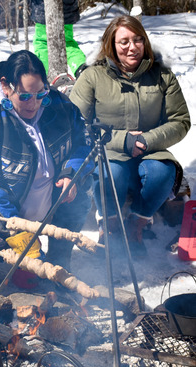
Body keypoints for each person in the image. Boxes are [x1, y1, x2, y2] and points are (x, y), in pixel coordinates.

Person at [0, 50, 94, 287]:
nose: (33, 104)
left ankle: (59, 263)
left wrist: (71, 174)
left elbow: (84, 142)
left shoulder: (58, 105)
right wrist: (27, 243)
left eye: (40, 94)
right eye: (24, 96)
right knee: (4, 254)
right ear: (6, 86)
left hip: (41, 200)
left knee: (81, 195)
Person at [69, 15, 191, 257]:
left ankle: (137, 223)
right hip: (108, 150)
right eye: (124, 42)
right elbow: (74, 124)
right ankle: (110, 226)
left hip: (151, 149)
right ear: (111, 45)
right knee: (110, 175)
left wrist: (147, 140)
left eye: (138, 40)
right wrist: (121, 140)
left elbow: (180, 120)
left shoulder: (162, 75)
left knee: (162, 173)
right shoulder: (93, 76)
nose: (132, 47)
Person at [30, 0, 87, 79]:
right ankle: (81, 67)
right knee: (68, 43)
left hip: (43, 12)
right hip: (67, 12)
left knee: (42, 43)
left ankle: (41, 76)